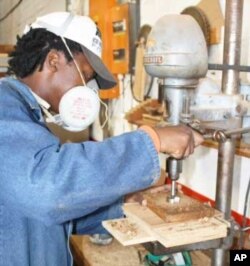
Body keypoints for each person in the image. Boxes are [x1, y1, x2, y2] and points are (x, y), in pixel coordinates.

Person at [0, 12, 203, 266]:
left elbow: (56, 216)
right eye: (85, 75)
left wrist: (122, 205)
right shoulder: (4, 105)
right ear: (53, 60)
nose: (89, 93)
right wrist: (151, 140)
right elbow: (46, 189)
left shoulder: (28, 115)